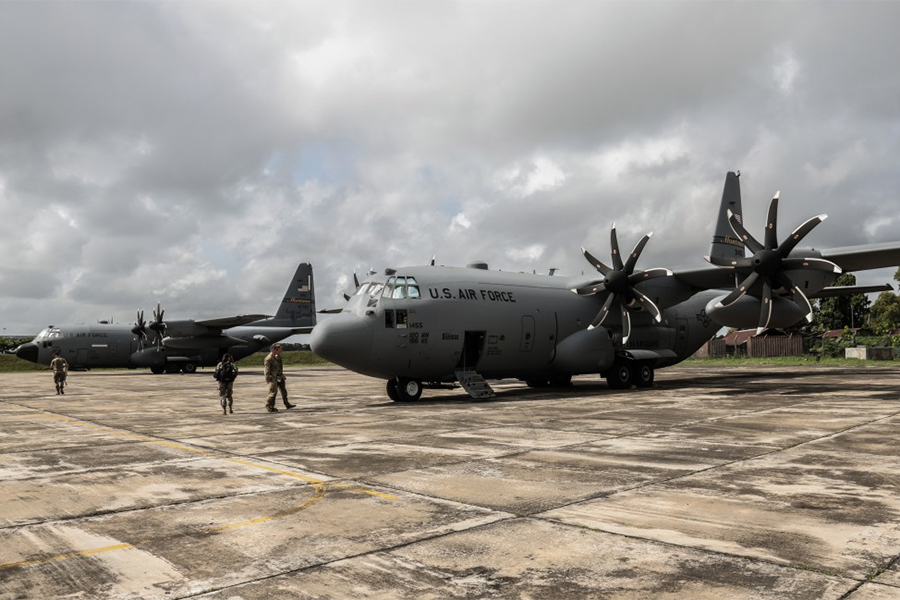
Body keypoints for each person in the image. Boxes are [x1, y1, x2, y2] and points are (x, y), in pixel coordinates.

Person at [264, 343, 295, 412]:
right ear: (274, 349)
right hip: (273, 377)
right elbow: (267, 369)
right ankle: (269, 406)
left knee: (283, 390)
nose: (281, 350)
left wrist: (281, 374)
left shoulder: (277, 357)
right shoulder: (269, 358)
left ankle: (286, 404)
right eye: (280, 349)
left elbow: (278, 367)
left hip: (278, 376)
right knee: (273, 392)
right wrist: (267, 377)